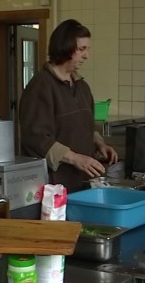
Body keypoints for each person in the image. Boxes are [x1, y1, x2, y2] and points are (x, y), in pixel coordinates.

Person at [18, 19, 118, 193]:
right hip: (52, 187)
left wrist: (99, 143)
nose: (86, 56)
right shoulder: (41, 87)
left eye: (87, 49)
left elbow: (85, 126)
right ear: (64, 47)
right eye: (81, 49)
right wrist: (75, 158)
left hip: (81, 182)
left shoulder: (82, 87)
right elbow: (36, 139)